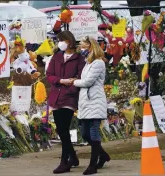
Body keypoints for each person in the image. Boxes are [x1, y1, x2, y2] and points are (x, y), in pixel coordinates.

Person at [46, 30, 85, 174]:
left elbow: (80, 77)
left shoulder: (79, 59)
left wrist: (71, 87)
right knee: (61, 130)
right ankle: (73, 156)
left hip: (69, 97)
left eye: (61, 40)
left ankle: (65, 161)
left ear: (68, 41)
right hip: (56, 96)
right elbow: (49, 75)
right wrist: (60, 81)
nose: (59, 43)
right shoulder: (56, 57)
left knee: (63, 128)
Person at [71, 36, 110, 175]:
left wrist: (74, 82)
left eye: (83, 46)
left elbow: (87, 82)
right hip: (86, 101)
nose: (81, 49)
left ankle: (92, 165)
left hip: (95, 100)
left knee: (93, 132)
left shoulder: (98, 63)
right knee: (85, 133)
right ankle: (103, 155)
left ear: (90, 46)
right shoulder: (88, 63)